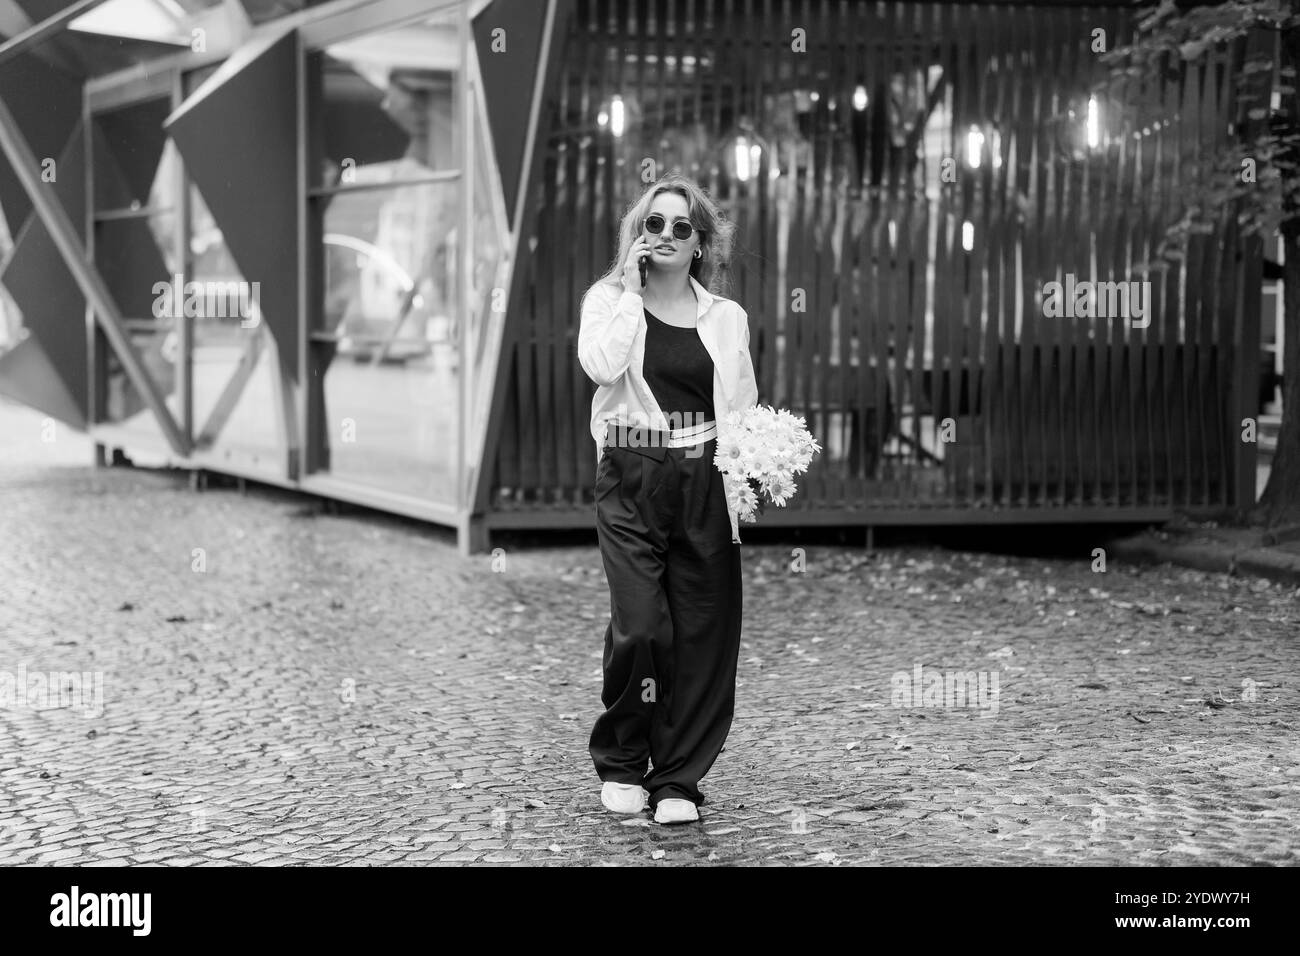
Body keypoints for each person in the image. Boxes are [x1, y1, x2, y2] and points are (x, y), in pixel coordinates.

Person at [576, 174, 759, 825]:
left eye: (681, 227)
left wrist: (749, 469)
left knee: (705, 632)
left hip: (706, 476)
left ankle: (678, 778)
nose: (666, 236)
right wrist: (630, 293)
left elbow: (742, 401)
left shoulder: (725, 317)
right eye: (654, 224)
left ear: (700, 242)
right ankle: (623, 761)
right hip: (633, 471)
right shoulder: (607, 299)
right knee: (643, 625)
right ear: (639, 233)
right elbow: (600, 366)